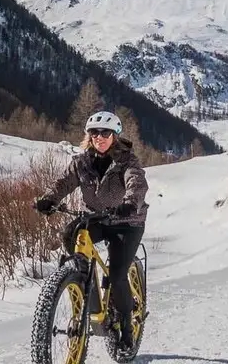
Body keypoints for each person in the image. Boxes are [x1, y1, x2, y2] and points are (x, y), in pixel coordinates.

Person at [34, 111, 149, 349]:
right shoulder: (82, 162)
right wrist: (49, 199)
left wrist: (129, 203)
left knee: (117, 275)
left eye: (105, 132)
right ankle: (80, 279)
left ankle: (127, 324)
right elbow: (63, 183)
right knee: (70, 234)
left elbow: (136, 182)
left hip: (126, 222)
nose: (99, 137)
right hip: (95, 218)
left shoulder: (127, 161)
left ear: (115, 136)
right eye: (94, 133)